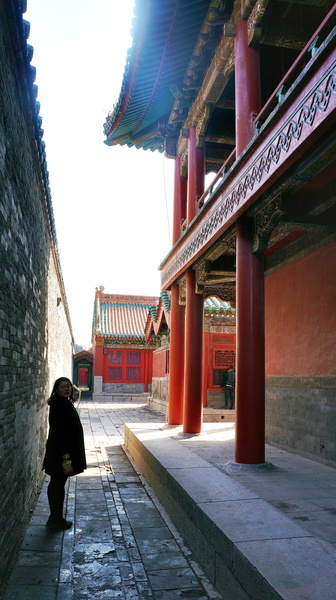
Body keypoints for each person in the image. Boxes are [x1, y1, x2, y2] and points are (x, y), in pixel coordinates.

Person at [43, 377, 86, 530]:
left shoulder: (64, 403)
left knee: (58, 483)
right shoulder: (58, 405)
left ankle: (55, 517)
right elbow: (58, 432)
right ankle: (55, 519)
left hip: (63, 451)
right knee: (57, 483)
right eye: (62, 387)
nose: (66, 389)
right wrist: (65, 453)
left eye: (68, 386)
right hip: (60, 453)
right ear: (56, 389)